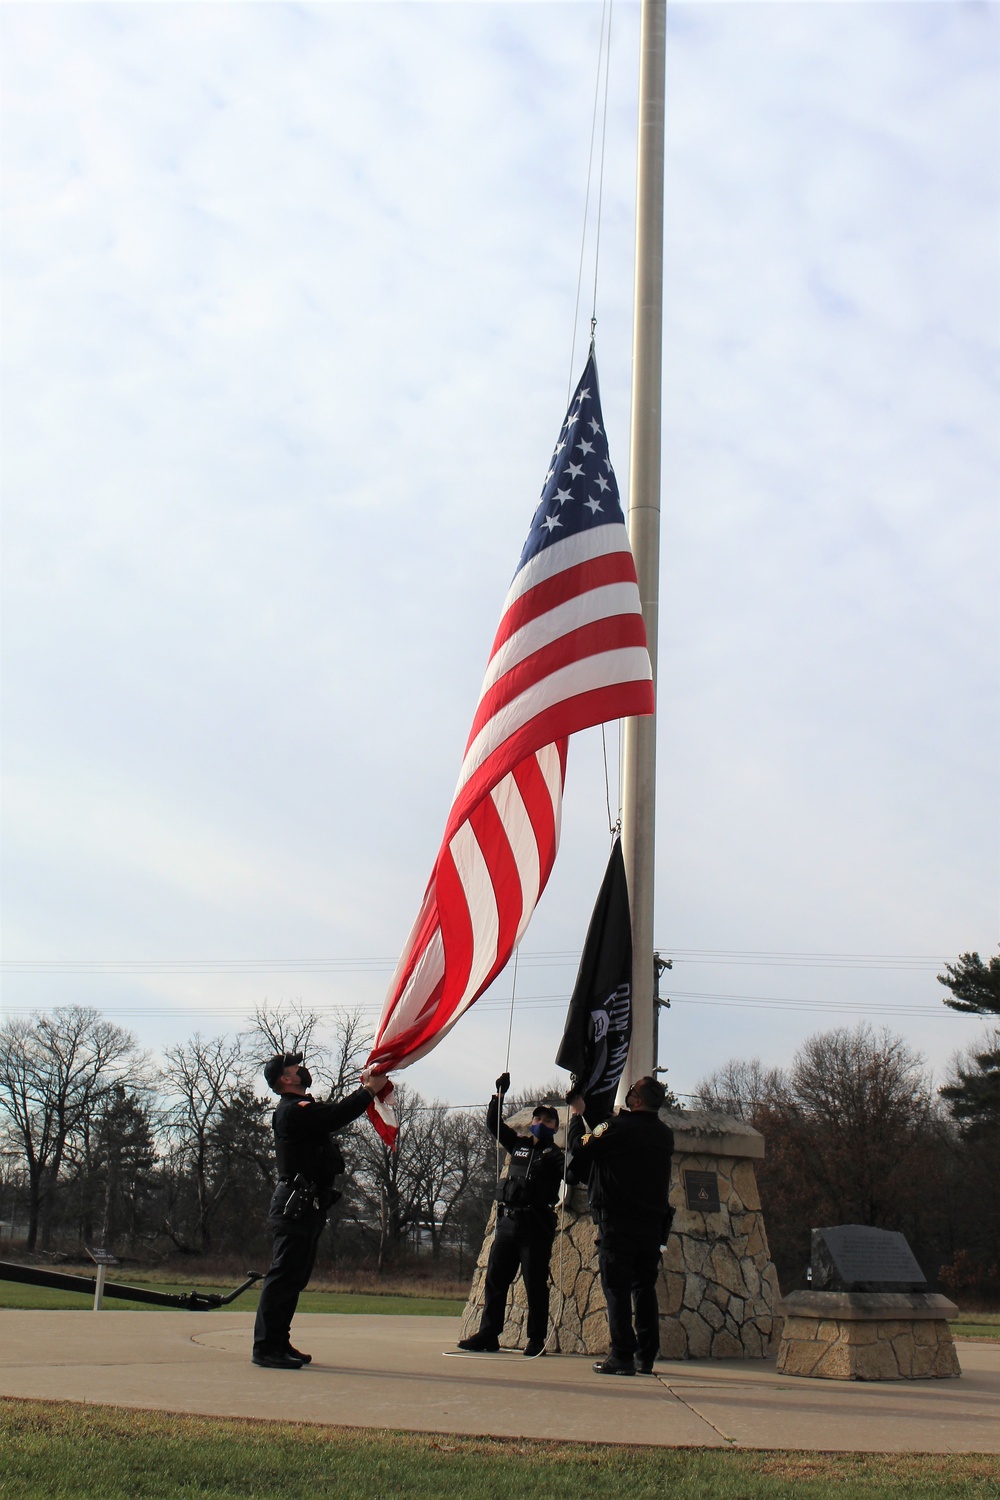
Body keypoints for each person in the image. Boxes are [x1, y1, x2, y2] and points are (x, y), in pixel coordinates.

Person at [252, 1051, 390, 1369]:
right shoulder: (292, 1110)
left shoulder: (302, 1109)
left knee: (295, 1278)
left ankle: (278, 1341)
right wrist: (368, 1090)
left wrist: (366, 1090)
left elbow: (329, 1115)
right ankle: (265, 1348)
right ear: (286, 1079)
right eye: (295, 1067)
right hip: (294, 1205)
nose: (302, 1069)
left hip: (307, 1206)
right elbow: (335, 1115)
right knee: (284, 1275)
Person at [568, 1074, 674, 1376]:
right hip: (651, 1226)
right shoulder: (665, 1134)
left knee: (616, 1288)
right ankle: (646, 1355)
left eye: (632, 1091)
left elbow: (581, 1146)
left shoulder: (618, 1128)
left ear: (637, 1101)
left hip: (618, 1224)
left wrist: (578, 1115)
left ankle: (621, 1355)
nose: (627, 1094)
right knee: (644, 1287)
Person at [457, 1074, 565, 1358]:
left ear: (556, 1127)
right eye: (538, 1119)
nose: (542, 1123)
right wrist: (499, 1095)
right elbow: (493, 1125)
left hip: (535, 1226)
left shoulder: (555, 1155)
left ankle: (536, 1339)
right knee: (495, 1280)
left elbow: (573, 1171)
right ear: (532, 1122)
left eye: (548, 1121)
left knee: (534, 1285)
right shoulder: (518, 1143)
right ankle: (489, 1335)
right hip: (508, 1223)